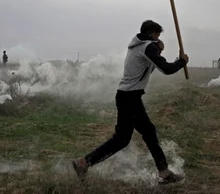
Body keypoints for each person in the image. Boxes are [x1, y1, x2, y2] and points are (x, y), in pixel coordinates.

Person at [71, 20, 188, 185]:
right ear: (151, 34)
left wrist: (159, 51)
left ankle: (84, 162)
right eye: (158, 35)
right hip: (130, 97)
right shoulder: (147, 47)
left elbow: (150, 66)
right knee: (130, 137)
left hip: (127, 96)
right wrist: (182, 62)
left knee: (138, 135)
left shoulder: (139, 46)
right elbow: (166, 69)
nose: (159, 38)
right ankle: (164, 172)